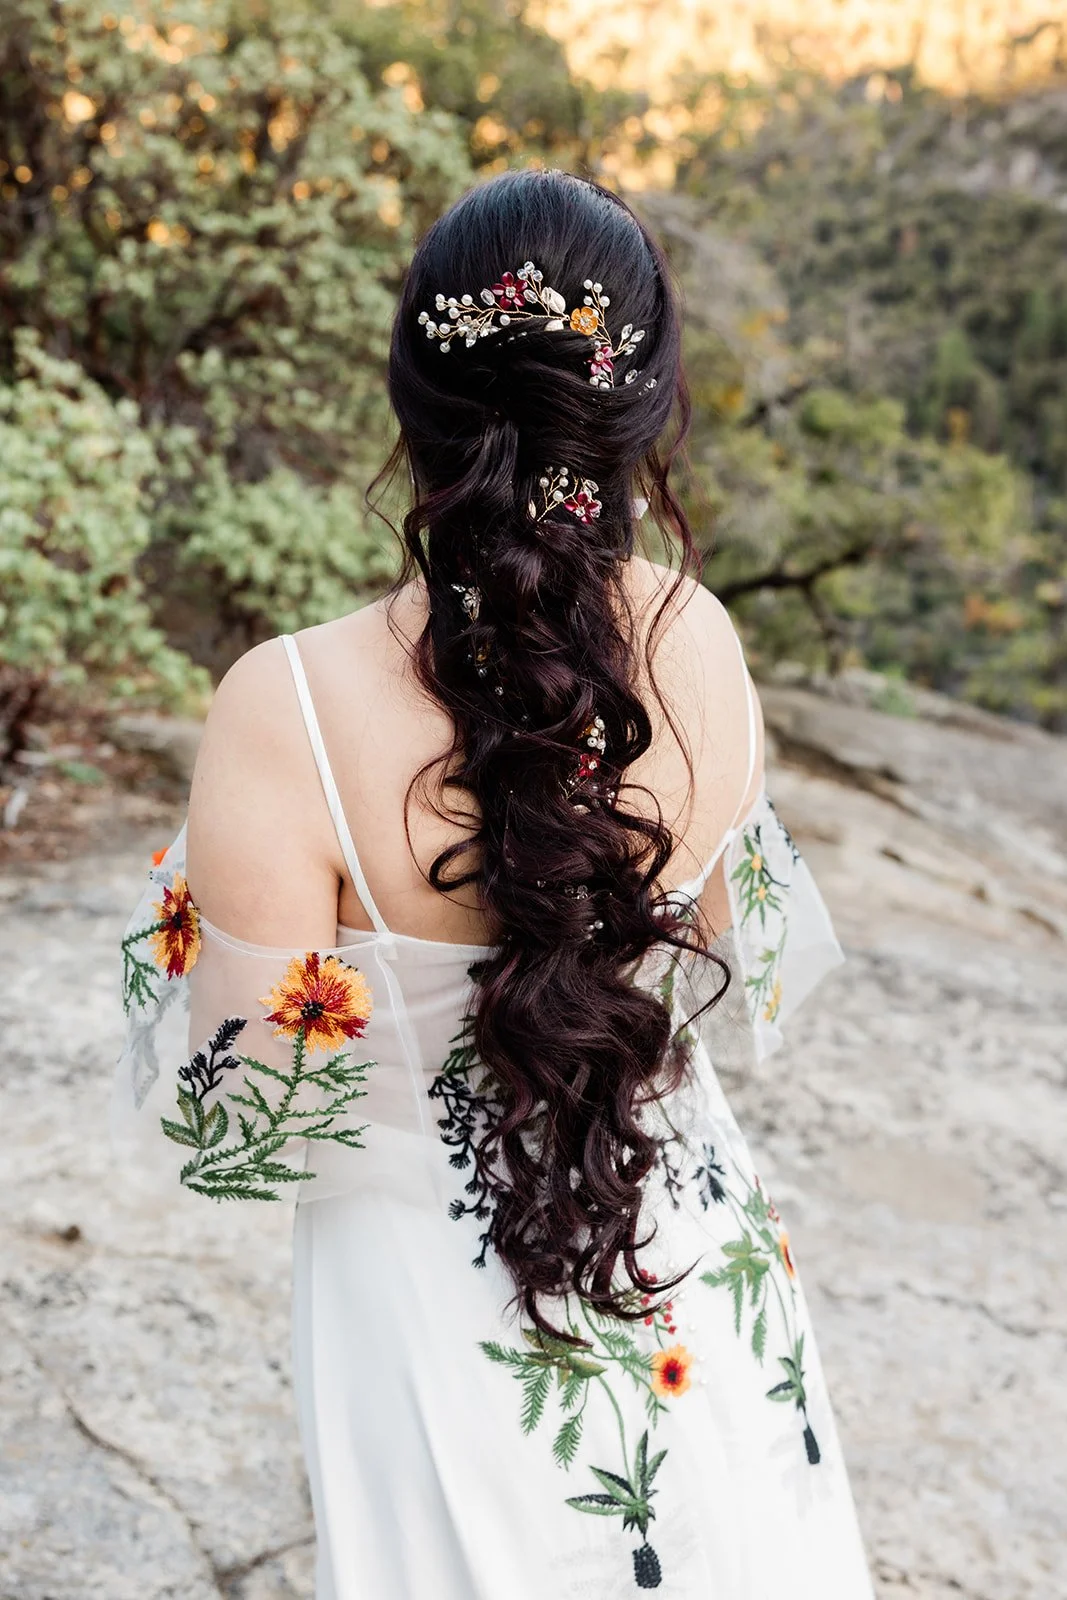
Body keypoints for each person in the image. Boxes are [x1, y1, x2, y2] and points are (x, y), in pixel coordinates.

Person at [115, 169, 874, 1598]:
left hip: (425, 1291)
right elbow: (734, 949)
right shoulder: (699, 641)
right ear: (640, 413)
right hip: (679, 1241)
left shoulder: (286, 705)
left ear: (414, 403)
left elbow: (249, 1125)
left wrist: (190, 913)